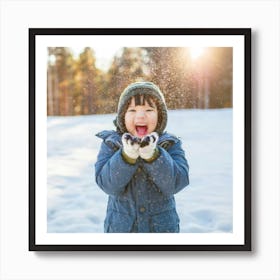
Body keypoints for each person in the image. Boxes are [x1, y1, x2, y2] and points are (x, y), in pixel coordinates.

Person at [95, 81, 189, 233]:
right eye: (132, 110)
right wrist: (126, 156)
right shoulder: (111, 144)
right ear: (122, 117)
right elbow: (107, 184)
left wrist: (154, 156)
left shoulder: (170, 144)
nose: (140, 116)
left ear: (160, 116)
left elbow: (177, 182)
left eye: (149, 109)